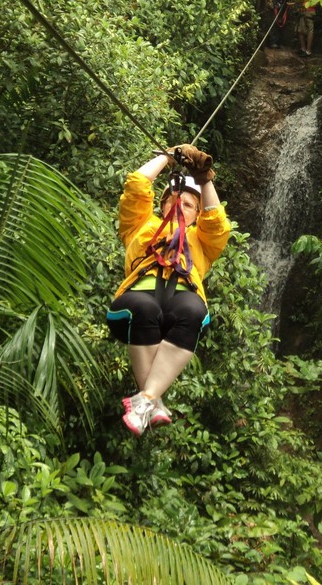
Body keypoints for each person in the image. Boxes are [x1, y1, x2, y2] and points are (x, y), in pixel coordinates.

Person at [105, 144, 231, 436]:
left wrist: (204, 178)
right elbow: (136, 185)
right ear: (162, 204)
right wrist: (167, 155)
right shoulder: (140, 227)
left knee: (194, 309)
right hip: (134, 305)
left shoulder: (201, 241)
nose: (179, 207)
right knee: (144, 307)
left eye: (188, 205)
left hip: (180, 308)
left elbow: (216, 220)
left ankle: (147, 400)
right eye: (174, 200)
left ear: (196, 215)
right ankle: (151, 399)